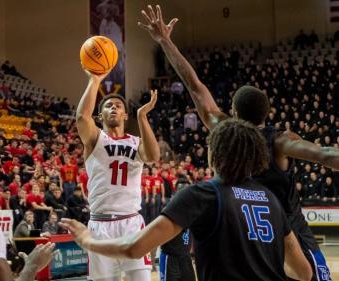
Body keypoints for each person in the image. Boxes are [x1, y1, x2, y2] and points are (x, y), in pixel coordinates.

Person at [138, 5, 338, 280]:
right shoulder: (280, 141)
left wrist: (165, 41)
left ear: (232, 112)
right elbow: (327, 156)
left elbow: (195, 86)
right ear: (267, 114)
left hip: (243, 229)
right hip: (286, 228)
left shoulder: (224, 128)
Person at [61, 119, 312, 281]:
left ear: (215, 153)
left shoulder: (203, 194)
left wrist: (87, 240)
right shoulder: (270, 200)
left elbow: (133, 248)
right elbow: (302, 272)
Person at [76, 66, 160, 280]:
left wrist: (142, 116)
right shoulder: (95, 139)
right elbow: (82, 118)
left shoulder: (136, 142)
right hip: (99, 225)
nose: (113, 108)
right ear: (100, 114)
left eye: (118, 105)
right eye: (108, 105)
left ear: (125, 114)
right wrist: (94, 81)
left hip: (130, 222)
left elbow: (153, 156)